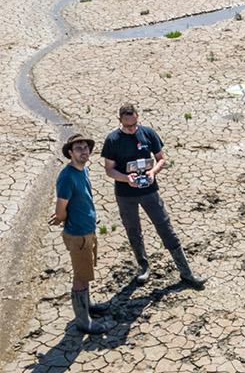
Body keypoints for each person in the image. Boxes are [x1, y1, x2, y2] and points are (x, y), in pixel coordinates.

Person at [101, 104, 206, 289]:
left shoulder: (148, 133)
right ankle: (143, 267)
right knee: (133, 230)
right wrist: (126, 178)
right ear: (119, 121)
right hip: (126, 194)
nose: (131, 129)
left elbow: (161, 159)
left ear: (137, 117)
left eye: (134, 125)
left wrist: (153, 172)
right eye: (127, 126)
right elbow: (109, 170)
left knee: (165, 226)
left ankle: (186, 272)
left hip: (149, 191)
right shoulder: (112, 140)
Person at [51, 133, 111, 334]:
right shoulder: (67, 177)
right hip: (78, 235)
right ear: (70, 152)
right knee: (79, 276)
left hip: (88, 230)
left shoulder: (82, 170)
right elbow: (60, 211)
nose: (83, 151)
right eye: (78, 148)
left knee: (85, 272)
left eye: (85, 148)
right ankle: (83, 321)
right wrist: (63, 218)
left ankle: (88, 305)